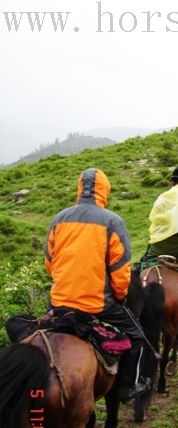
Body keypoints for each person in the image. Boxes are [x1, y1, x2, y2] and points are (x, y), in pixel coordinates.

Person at [44, 167, 147, 403]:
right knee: (139, 339)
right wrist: (119, 298)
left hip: (59, 302)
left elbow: (49, 263)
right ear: (104, 190)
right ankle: (130, 386)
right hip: (98, 305)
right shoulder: (113, 221)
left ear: (79, 188)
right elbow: (120, 271)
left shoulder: (59, 219)